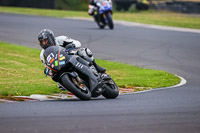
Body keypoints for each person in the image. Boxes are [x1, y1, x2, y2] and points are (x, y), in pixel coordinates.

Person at [38, 29, 106, 90]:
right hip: (59, 66)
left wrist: (72, 45)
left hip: (70, 56)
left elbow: (77, 43)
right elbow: (48, 65)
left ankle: (96, 67)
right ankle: (73, 84)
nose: (44, 43)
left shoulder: (60, 39)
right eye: (42, 42)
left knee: (84, 52)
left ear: (51, 38)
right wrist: (48, 70)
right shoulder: (42, 54)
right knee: (58, 81)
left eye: (45, 41)